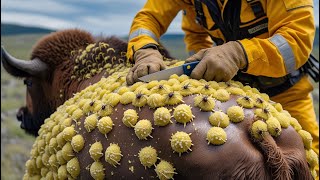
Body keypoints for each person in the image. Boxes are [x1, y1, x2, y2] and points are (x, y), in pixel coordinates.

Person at [125, 0, 319, 176]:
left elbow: (296, 41)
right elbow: (150, 17)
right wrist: (145, 50)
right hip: (236, 89)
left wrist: (238, 53)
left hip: (287, 91)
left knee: (310, 158)